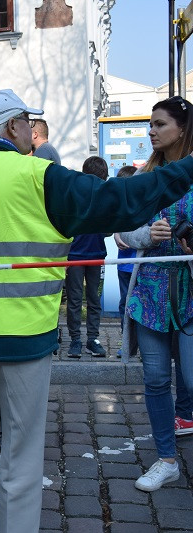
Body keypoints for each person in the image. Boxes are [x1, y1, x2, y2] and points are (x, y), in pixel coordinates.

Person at [0, 89, 193, 532]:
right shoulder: (43, 176)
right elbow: (121, 201)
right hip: (25, 339)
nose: (33, 131)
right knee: (21, 460)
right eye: (28, 122)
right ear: (12, 128)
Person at [118, 95, 193, 492]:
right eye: (150, 124)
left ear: (182, 129)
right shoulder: (144, 175)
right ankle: (167, 460)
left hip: (190, 294)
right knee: (157, 379)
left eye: (160, 124)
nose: (151, 131)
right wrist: (144, 235)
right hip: (149, 296)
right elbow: (120, 231)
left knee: (192, 379)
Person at [65, 156, 110, 358]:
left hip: (97, 256)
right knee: (74, 300)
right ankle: (75, 340)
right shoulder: (75, 196)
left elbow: (109, 230)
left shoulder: (105, 197)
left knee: (94, 299)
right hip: (75, 256)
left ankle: (92, 339)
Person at [113, 165, 139, 358]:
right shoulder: (121, 206)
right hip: (124, 266)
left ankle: (143, 347)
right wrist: (116, 234)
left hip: (140, 266)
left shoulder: (144, 204)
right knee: (125, 306)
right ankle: (127, 345)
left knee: (140, 306)